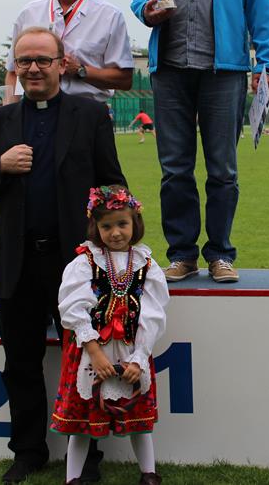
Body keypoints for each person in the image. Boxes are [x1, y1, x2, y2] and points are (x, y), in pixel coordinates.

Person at [0, 27, 126, 483]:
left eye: (43, 60)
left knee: (86, 360)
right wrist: (0, 166)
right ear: (15, 67)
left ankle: (87, 456)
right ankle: (28, 451)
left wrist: (118, 231)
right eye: (24, 61)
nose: (33, 68)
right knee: (20, 364)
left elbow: (112, 181)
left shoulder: (90, 116)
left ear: (60, 63)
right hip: (16, 262)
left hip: (75, 266)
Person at [130, 0, 269, 284]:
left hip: (224, 69)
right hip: (170, 67)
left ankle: (220, 253)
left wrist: (266, 61)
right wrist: (147, 10)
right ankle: (182, 254)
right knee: (174, 169)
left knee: (222, 170)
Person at [51, 185, 169, 485]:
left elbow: (153, 314)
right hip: (91, 352)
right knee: (82, 424)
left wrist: (139, 358)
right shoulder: (85, 262)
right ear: (96, 227)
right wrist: (95, 352)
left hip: (131, 349)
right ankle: (73, 478)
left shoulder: (146, 265)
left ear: (135, 223)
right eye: (106, 226)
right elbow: (72, 307)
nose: (115, 233)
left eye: (122, 224)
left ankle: (148, 473)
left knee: (138, 419)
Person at [5, 0, 134, 104]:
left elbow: (124, 80)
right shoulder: (29, 14)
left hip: (86, 111)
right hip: (36, 110)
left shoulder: (109, 16)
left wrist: (80, 71)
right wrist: (11, 112)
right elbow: (13, 72)